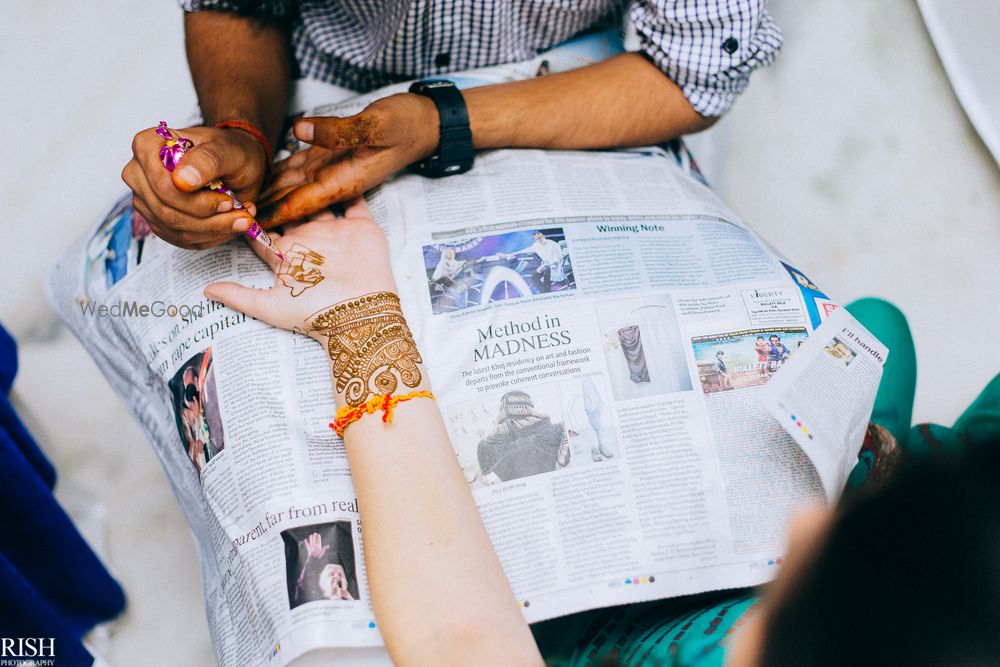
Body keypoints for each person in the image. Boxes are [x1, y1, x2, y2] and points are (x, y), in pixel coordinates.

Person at [205, 213, 1000, 664]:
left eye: (833, 554)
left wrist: (360, 318)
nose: (805, 522)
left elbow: (459, 634)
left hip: (614, 623)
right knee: (876, 333)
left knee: (875, 337)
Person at [123, 1, 782, 248]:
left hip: (583, 92)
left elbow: (695, 64)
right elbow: (235, 8)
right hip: (325, 96)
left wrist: (442, 121)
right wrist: (243, 131)